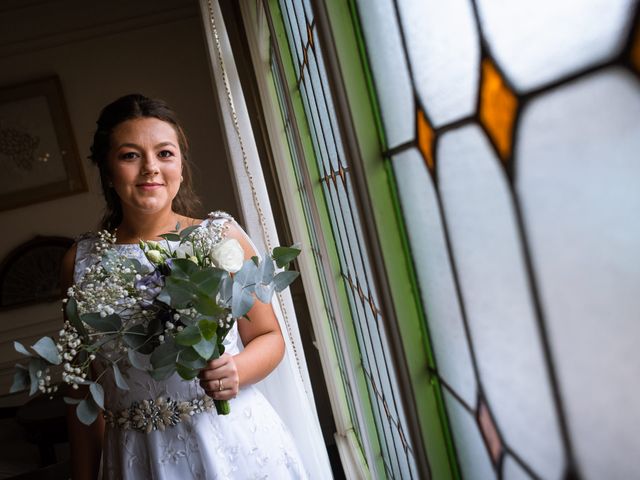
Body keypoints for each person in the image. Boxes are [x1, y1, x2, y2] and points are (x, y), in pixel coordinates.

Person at [61, 94, 315, 479]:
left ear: (180, 165)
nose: (151, 168)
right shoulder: (81, 261)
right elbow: (81, 391)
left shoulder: (219, 239)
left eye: (165, 153)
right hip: (138, 456)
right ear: (108, 171)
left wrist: (237, 370)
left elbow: (268, 336)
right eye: (130, 155)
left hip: (231, 442)